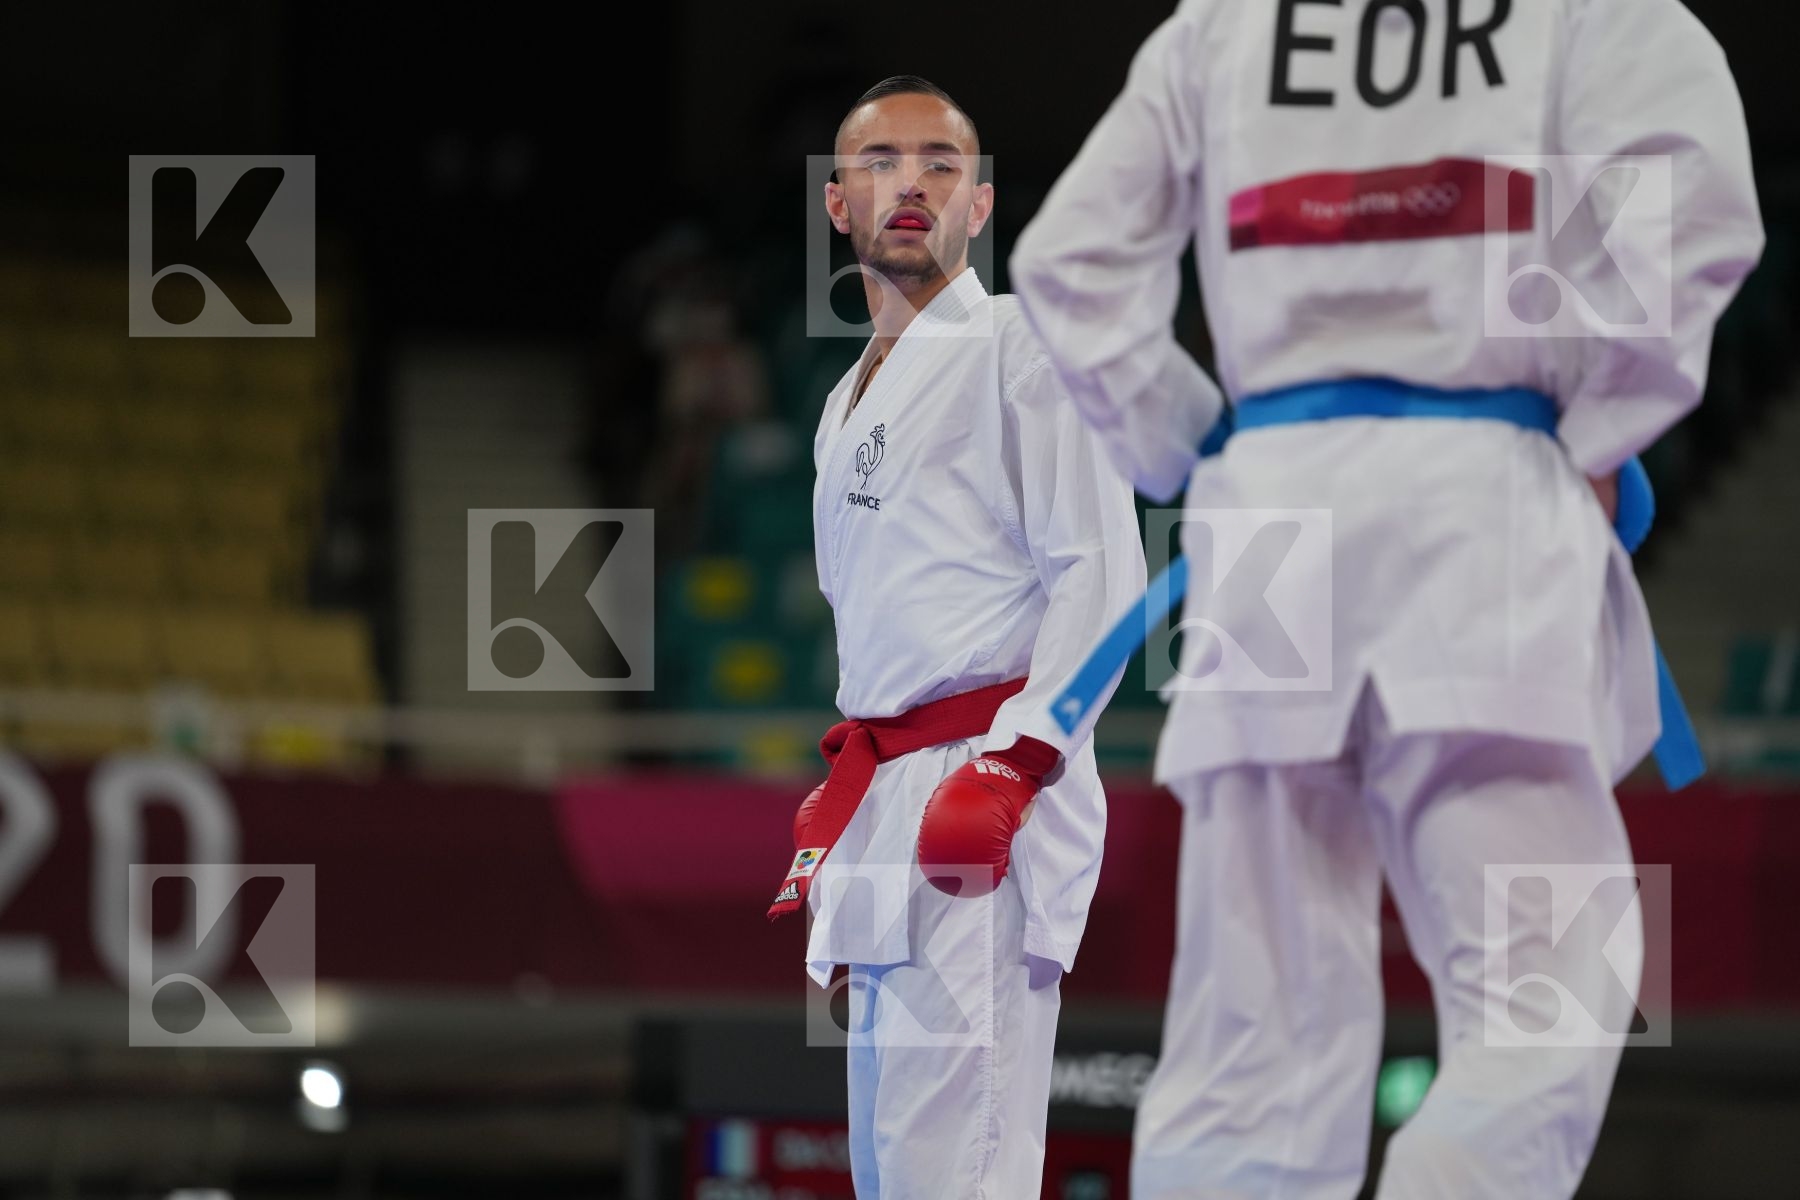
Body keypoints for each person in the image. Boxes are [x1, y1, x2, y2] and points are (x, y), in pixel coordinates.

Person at [1009, 2, 1763, 1197]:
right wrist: (1599, 417)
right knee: (1556, 971)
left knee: (1254, 1022)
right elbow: (1681, 214)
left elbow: (1066, 266)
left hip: (1271, 514)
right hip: (1481, 502)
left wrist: (1198, 445)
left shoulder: (1226, 23)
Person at [765, 75, 1146, 1197]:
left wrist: (1023, 759)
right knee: (893, 1172)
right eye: (883, 162)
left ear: (981, 205)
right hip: (889, 794)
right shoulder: (845, 402)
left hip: (982, 789)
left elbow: (1104, 576)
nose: (914, 182)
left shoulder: (1025, 344)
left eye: (943, 163)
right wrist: (858, 799)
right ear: (839, 203)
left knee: (958, 1171)